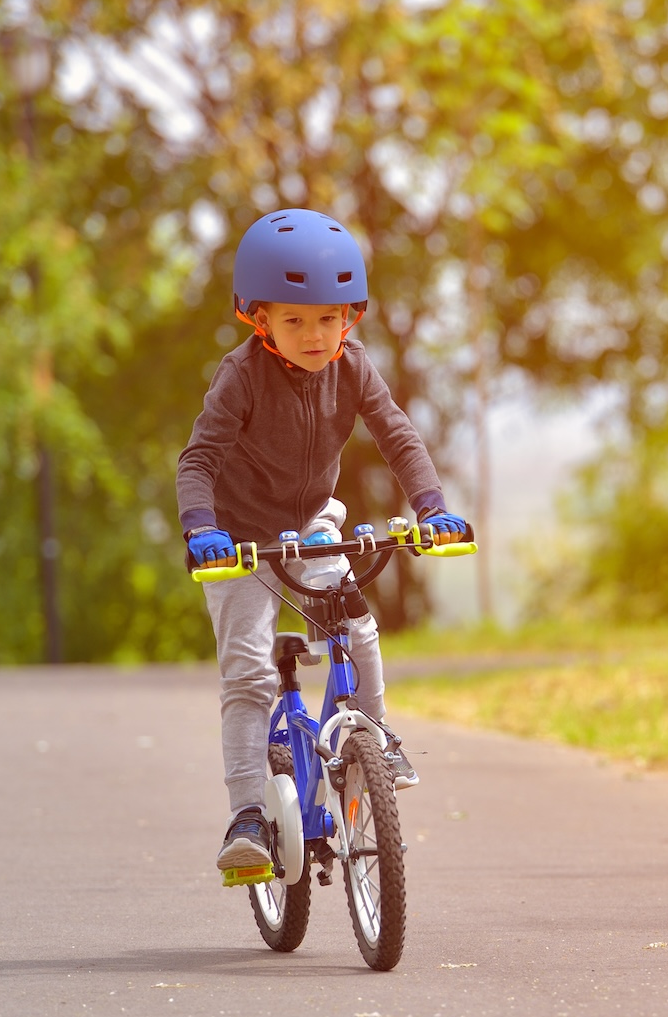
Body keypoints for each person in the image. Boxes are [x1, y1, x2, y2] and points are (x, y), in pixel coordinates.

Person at [176, 209, 467, 877]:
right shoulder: (241, 376)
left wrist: (432, 508)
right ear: (261, 320)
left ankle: (377, 737)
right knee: (249, 673)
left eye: (329, 318)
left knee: (357, 629)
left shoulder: (354, 367)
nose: (315, 334)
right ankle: (248, 816)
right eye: (296, 319)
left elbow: (398, 436)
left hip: (311, 523)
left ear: (351, 318)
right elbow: (197, 462)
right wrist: (203, 530)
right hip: (238, 540)